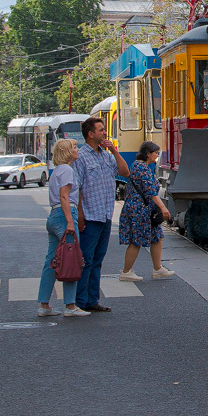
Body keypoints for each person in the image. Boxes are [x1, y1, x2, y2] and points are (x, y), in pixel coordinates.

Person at [72, 117, 129, 314]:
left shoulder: (106, 156)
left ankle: (92, 300)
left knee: (97, 260)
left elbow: (125, 172)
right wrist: (80, 215)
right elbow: (76, 188)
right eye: (101, 130)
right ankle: (80, 301)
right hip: (90, 215)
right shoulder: (81, 157)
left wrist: (114, 150)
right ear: (91, 134)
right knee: (86, 260)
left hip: (105, 215)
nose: (104, 133)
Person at [37, 139, 86, 319]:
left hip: (53, 216)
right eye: (74, 147)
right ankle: (70, 305)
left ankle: (44, 304)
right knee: (71, 259)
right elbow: (64, 197)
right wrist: (70, 223)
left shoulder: (56, 170)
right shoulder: (67, 170)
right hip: (65, 215)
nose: (77, 149)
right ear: (66, 152)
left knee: (52, 261)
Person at [117, 141, 173, 282]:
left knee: (157, 236)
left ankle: (158, 268)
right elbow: (151, 192)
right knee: (136, 239)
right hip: (138, 209)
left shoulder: (141, 166)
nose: (157, 155)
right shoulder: (141, 168)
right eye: (155, 153)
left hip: (142, 209)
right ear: (148, 154)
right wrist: (163, 208)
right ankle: (126, 271)